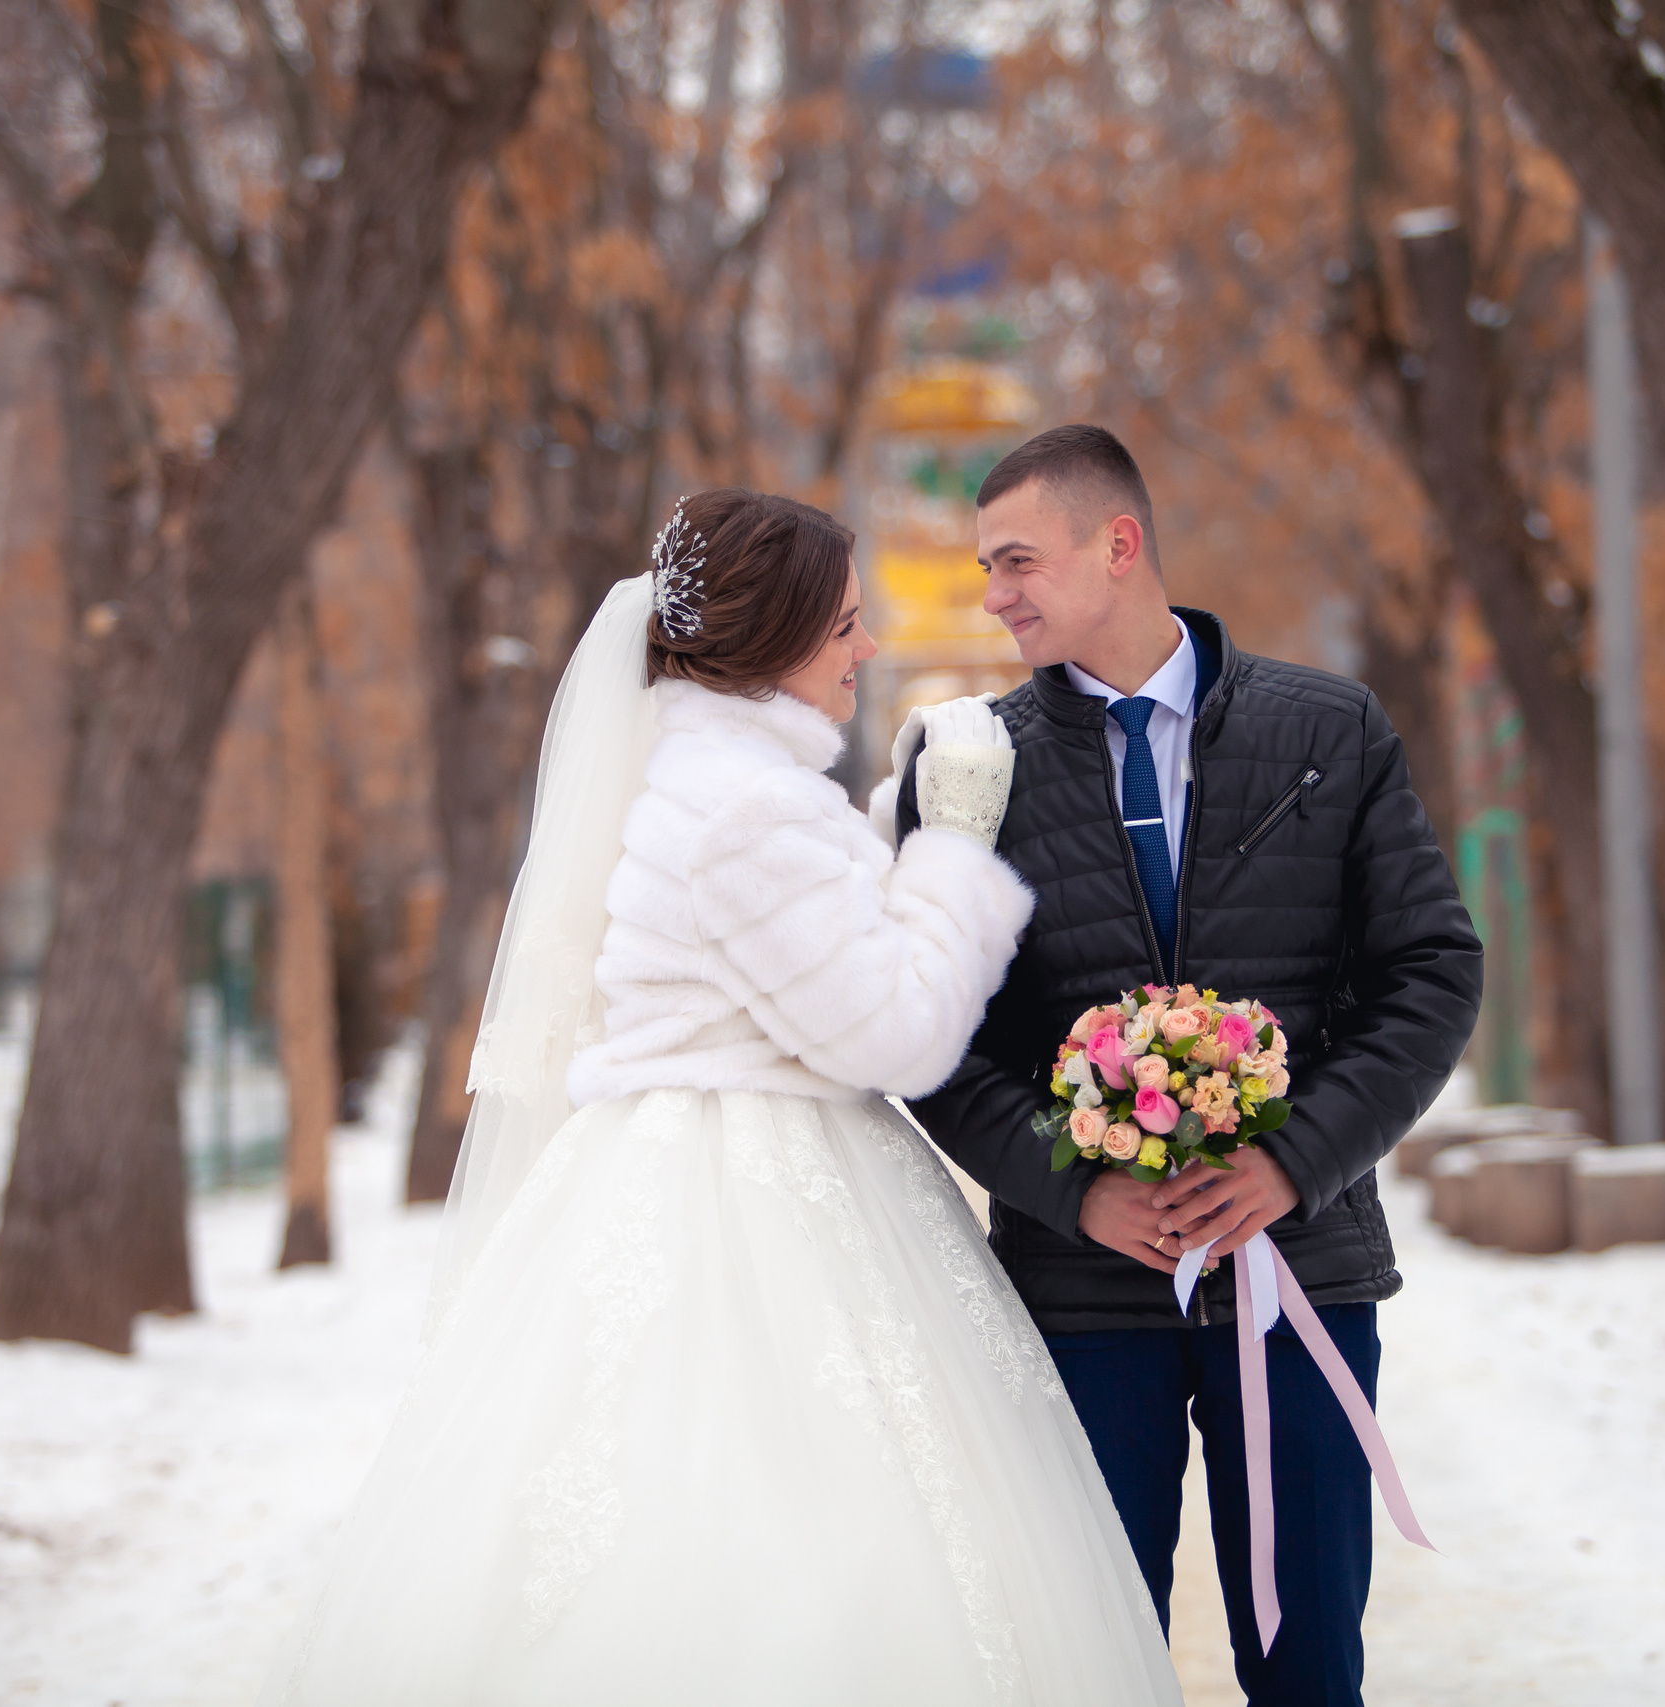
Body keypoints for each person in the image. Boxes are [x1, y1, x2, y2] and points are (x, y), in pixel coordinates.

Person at [263, 489, 1184, 1706]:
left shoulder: (727, 787)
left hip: (695, 1155)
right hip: (751, 1194)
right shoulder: (744, 807)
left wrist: (881, 827)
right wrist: (953, 842)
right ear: (778, 639)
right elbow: (896, 1031)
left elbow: (790, 941)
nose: (864, 649)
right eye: (846, 626)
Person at [892, 426, 1483, 1707]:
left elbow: (1431, 972)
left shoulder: (1329, 728)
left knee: (1308, 1661)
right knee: (1091, 1661)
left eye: (1015, 561)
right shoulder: (962, 769)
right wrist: (1074, 1190)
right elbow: (928, 1038)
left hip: (1301, 1278)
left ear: (1119, 545)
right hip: (1082, 1296)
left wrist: (1293, 1161)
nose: (993, 595)